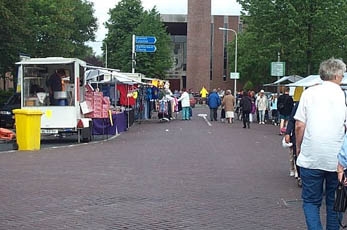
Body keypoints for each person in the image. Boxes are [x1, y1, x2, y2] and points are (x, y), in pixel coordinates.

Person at [295, 58, 347, 230]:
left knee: (310, 201)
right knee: (335, 202)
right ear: (338, 75)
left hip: (311, 155)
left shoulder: (309, 93)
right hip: (337, 158)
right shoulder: (343, 95)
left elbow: (299, 125)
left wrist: (299, 146)